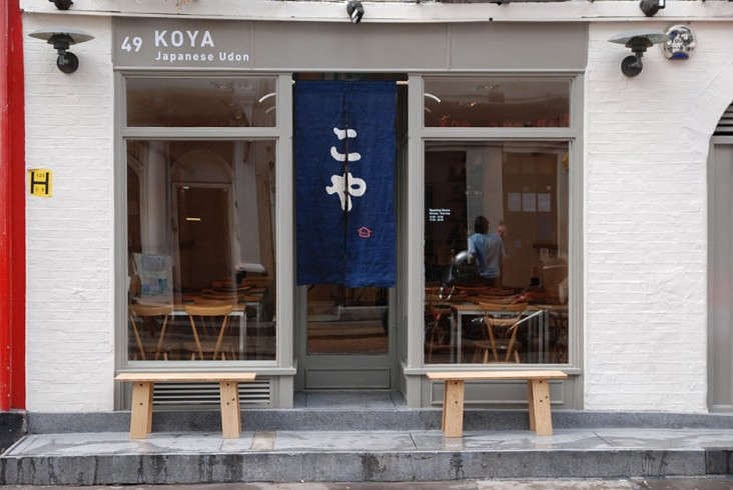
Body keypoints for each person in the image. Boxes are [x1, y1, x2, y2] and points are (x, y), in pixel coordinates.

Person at [467, 216, 505, 287]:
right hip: (495, 276)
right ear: (487, 226)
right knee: (495, 293)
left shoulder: (472, 239)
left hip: (481, 276)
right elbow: (502, 258)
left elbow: (472, 257)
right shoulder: (497, 238)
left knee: (483, 293)